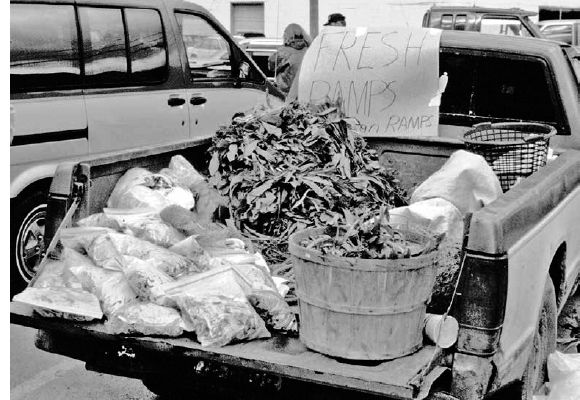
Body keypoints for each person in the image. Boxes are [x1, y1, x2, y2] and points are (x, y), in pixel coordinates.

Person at [268, 23, 311, 96]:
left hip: (286, 94)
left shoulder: (282, 52)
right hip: (305, 93)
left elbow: (271, 67)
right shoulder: (309, 51)